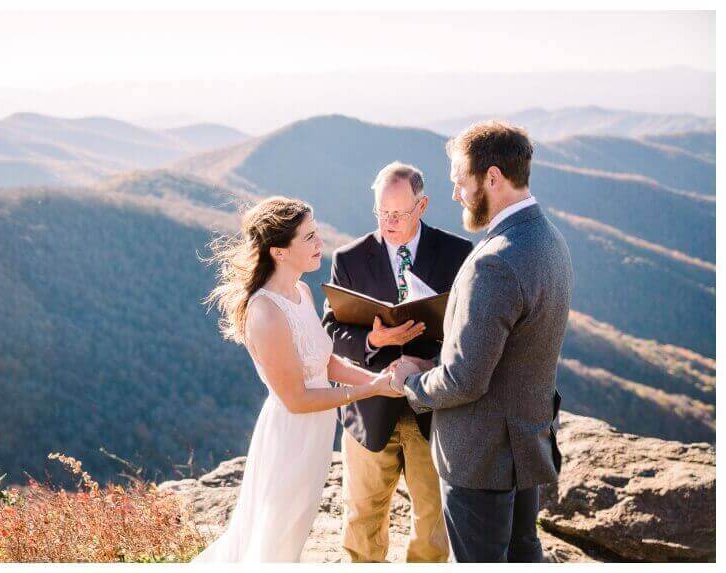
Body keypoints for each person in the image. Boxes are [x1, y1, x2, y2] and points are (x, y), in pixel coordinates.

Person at [384, 121, 573, 563]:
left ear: (492, 177)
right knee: (523, 554)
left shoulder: (496, 261)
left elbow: (464, 380)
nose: (456, 195)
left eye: (460, 182)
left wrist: (410, 382)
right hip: (525, 446)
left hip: (481, 457)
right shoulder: (548, 239)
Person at [196, 196, 399, 562]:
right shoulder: (266, 312)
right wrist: (367, 390)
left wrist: (379, 378)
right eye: (308, 238)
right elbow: (297, 399)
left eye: (316, 233)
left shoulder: (301, 292)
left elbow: (326, 361)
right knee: (276, 539)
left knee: (294, 530)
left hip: (316, 433)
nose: (320, 244)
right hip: (291, 437)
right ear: (279, 251)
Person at [322, 162, 472, 562]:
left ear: (421, 206)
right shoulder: (350, 258)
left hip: (434, 408)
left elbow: (472, 332)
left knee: (434, 523)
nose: (388, 222)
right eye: (381, 212)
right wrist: (374, 339)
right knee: (362, 519)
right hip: (370, 407)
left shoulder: (458, 254)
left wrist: (430, 360)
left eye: (399, 213)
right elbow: (330, 333)